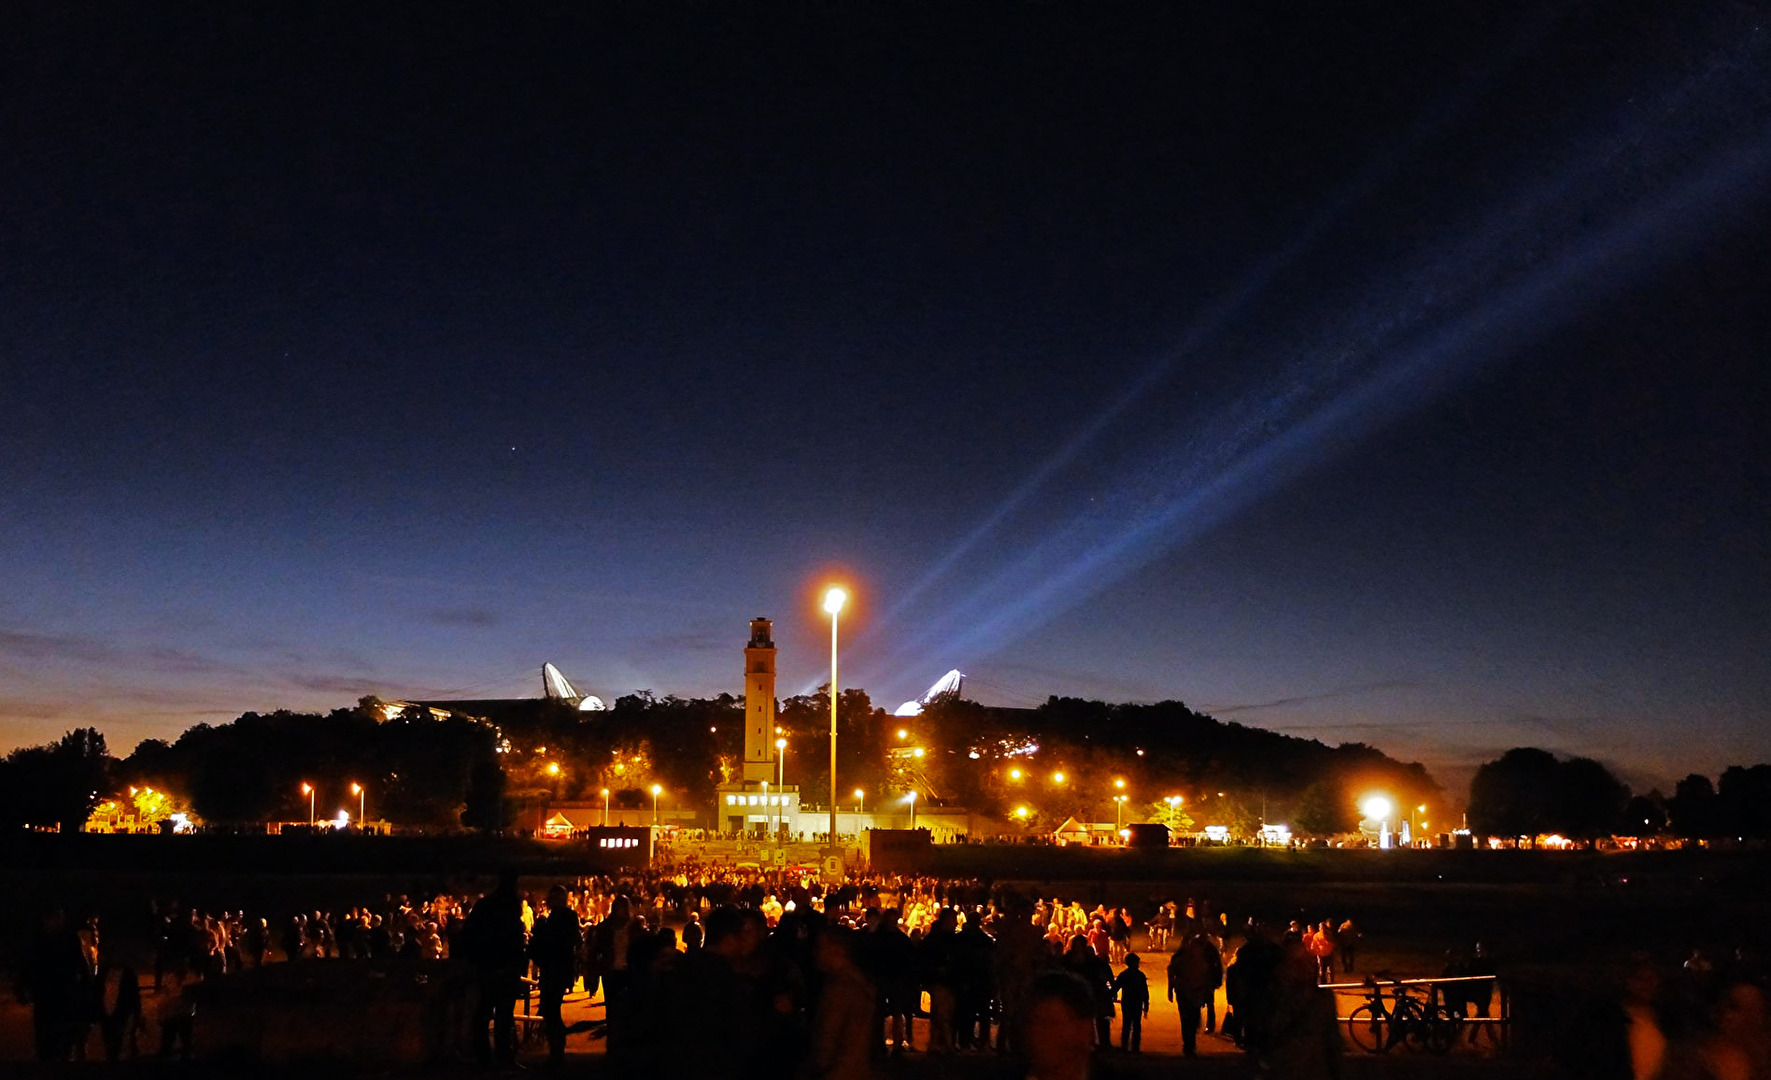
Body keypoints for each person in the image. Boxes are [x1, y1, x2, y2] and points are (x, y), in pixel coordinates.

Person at [459, 870, 528, 1068]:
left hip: (487, 966)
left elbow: (469, 934)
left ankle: (484, 1056)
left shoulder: (484, 906)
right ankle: (503, 1056)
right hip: (504, 966)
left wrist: (477, 959)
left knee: (484, 1012)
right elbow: (514, 939)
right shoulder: (511, 907)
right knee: (503, 1015)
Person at [801, 926, 877, 1080]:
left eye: (821, 947)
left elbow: (828, 1036)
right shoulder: (858, 982)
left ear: (837, 949)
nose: (815, 953)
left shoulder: (841, 989)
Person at [529, 884, 583, 1068]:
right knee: (551, 1011)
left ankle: (557, 1052)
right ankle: (556, 1051)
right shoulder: (556, 918)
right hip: (554, 969)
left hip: (557, 970)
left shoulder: (564, 917)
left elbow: (560, 943)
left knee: (552, 1011)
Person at [1167, 931, 1216, 1057]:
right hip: (1185, 992)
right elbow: (1171, 973)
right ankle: (1189, 1044)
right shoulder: (1181, 958)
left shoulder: (1200, 959)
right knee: (1187, 1018)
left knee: (1192, 1018)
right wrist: (1170, 988)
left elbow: (1207, 976)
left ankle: (1190, 1044)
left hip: (1194, 992)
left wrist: (1207, 990)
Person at [1113, 953, 1149, 1053]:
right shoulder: (1140, 975)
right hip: (1136, 1002)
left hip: (1127, 1002)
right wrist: (1146, 1005)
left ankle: (1125, 1046)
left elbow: (1116, 987)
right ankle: (1135, 1047)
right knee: (1136, 1025)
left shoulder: (1124, 974)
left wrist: (1111, 995)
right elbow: (1145, 991)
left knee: (1127, 1024)